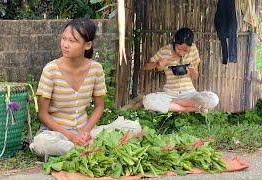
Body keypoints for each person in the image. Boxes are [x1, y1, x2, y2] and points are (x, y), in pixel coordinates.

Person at [30, 18, 140, 160]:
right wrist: (71, 137)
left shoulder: (96, 69)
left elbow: (100, 106)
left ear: (87, 45)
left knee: (133, 128)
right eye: (64, 39)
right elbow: (43, 114)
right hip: (56, 133)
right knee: (41, 144)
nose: (65, 44)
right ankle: (89, 148)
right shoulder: (51, 70)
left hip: (85, 132)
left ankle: (85, 147)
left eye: (72, 41)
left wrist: (84, 131)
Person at [142, 27, 219, 113]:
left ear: (190, 46)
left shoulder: (193, 50)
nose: (182, 53)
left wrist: (193, 71)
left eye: (186, 50)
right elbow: (145, 66)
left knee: (213, 99)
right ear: (175, 42)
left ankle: (175, 104)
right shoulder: (165, 51)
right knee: (147, 101)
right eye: (179, 49)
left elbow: (195, 77)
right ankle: (189, 108)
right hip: (169, 93)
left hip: (189, 93)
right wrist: (157, 64)